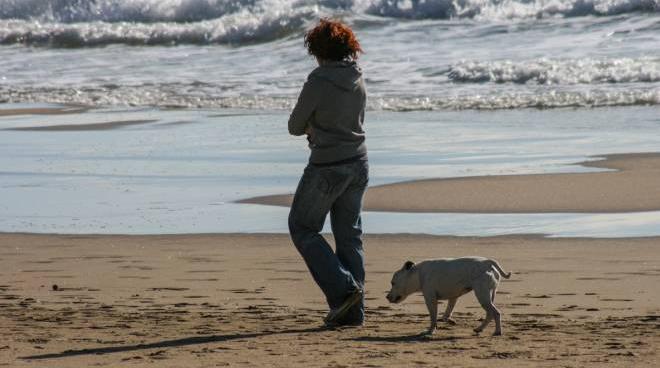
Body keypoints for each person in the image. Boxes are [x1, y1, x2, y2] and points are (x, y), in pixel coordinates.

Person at [287, 18, 369, 327]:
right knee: (349, 239)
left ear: (320, 51)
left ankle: (344, 288)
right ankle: (352, 315)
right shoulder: (358, 77)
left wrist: (312, 128)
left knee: (302, 228)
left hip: (326, 167)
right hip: (359, 163)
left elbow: (295, 126)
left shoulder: (318, 80)